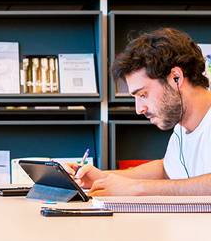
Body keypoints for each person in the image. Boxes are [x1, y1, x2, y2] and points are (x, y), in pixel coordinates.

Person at [70, 27, 211, 196]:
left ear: (176, 78)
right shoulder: (182, 128)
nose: (139, 109)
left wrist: (136, 188)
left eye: (143, 94)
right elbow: (166, 170)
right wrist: (103, 177)